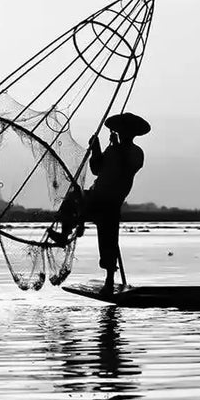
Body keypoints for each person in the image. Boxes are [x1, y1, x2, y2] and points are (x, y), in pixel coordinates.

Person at [48, 112, 150, 296]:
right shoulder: (113, 150)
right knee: (72, 198)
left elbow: (128, 166)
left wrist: (116, 147)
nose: (122, 134)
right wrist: (96, 148)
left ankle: (109, 282)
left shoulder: (135, 152)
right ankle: (65, 234)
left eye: (125, 132)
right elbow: (96, 169)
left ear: (132, 134)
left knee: (108, 242)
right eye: (121, 131)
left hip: (111, 203)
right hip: (95, 197)